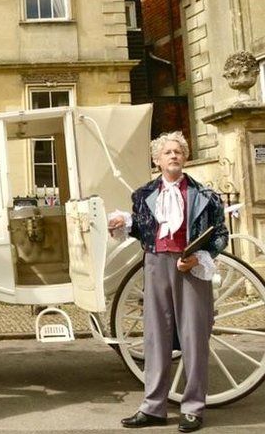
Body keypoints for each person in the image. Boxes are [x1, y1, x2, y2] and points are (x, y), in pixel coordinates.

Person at [107, 132, 228, 433]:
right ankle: (153, 407)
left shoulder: (205, 196)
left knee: (193, 337)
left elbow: (221, 234)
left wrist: (200, 256)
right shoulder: (143, 194)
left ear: (185, 157)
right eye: (167, 152)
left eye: (178, 151)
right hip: (155, 264)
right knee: (155, 337)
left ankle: (192, 407)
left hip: (189, 265)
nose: (173, 156)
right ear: (157, 160)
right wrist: (123, 224)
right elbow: (142, 228)